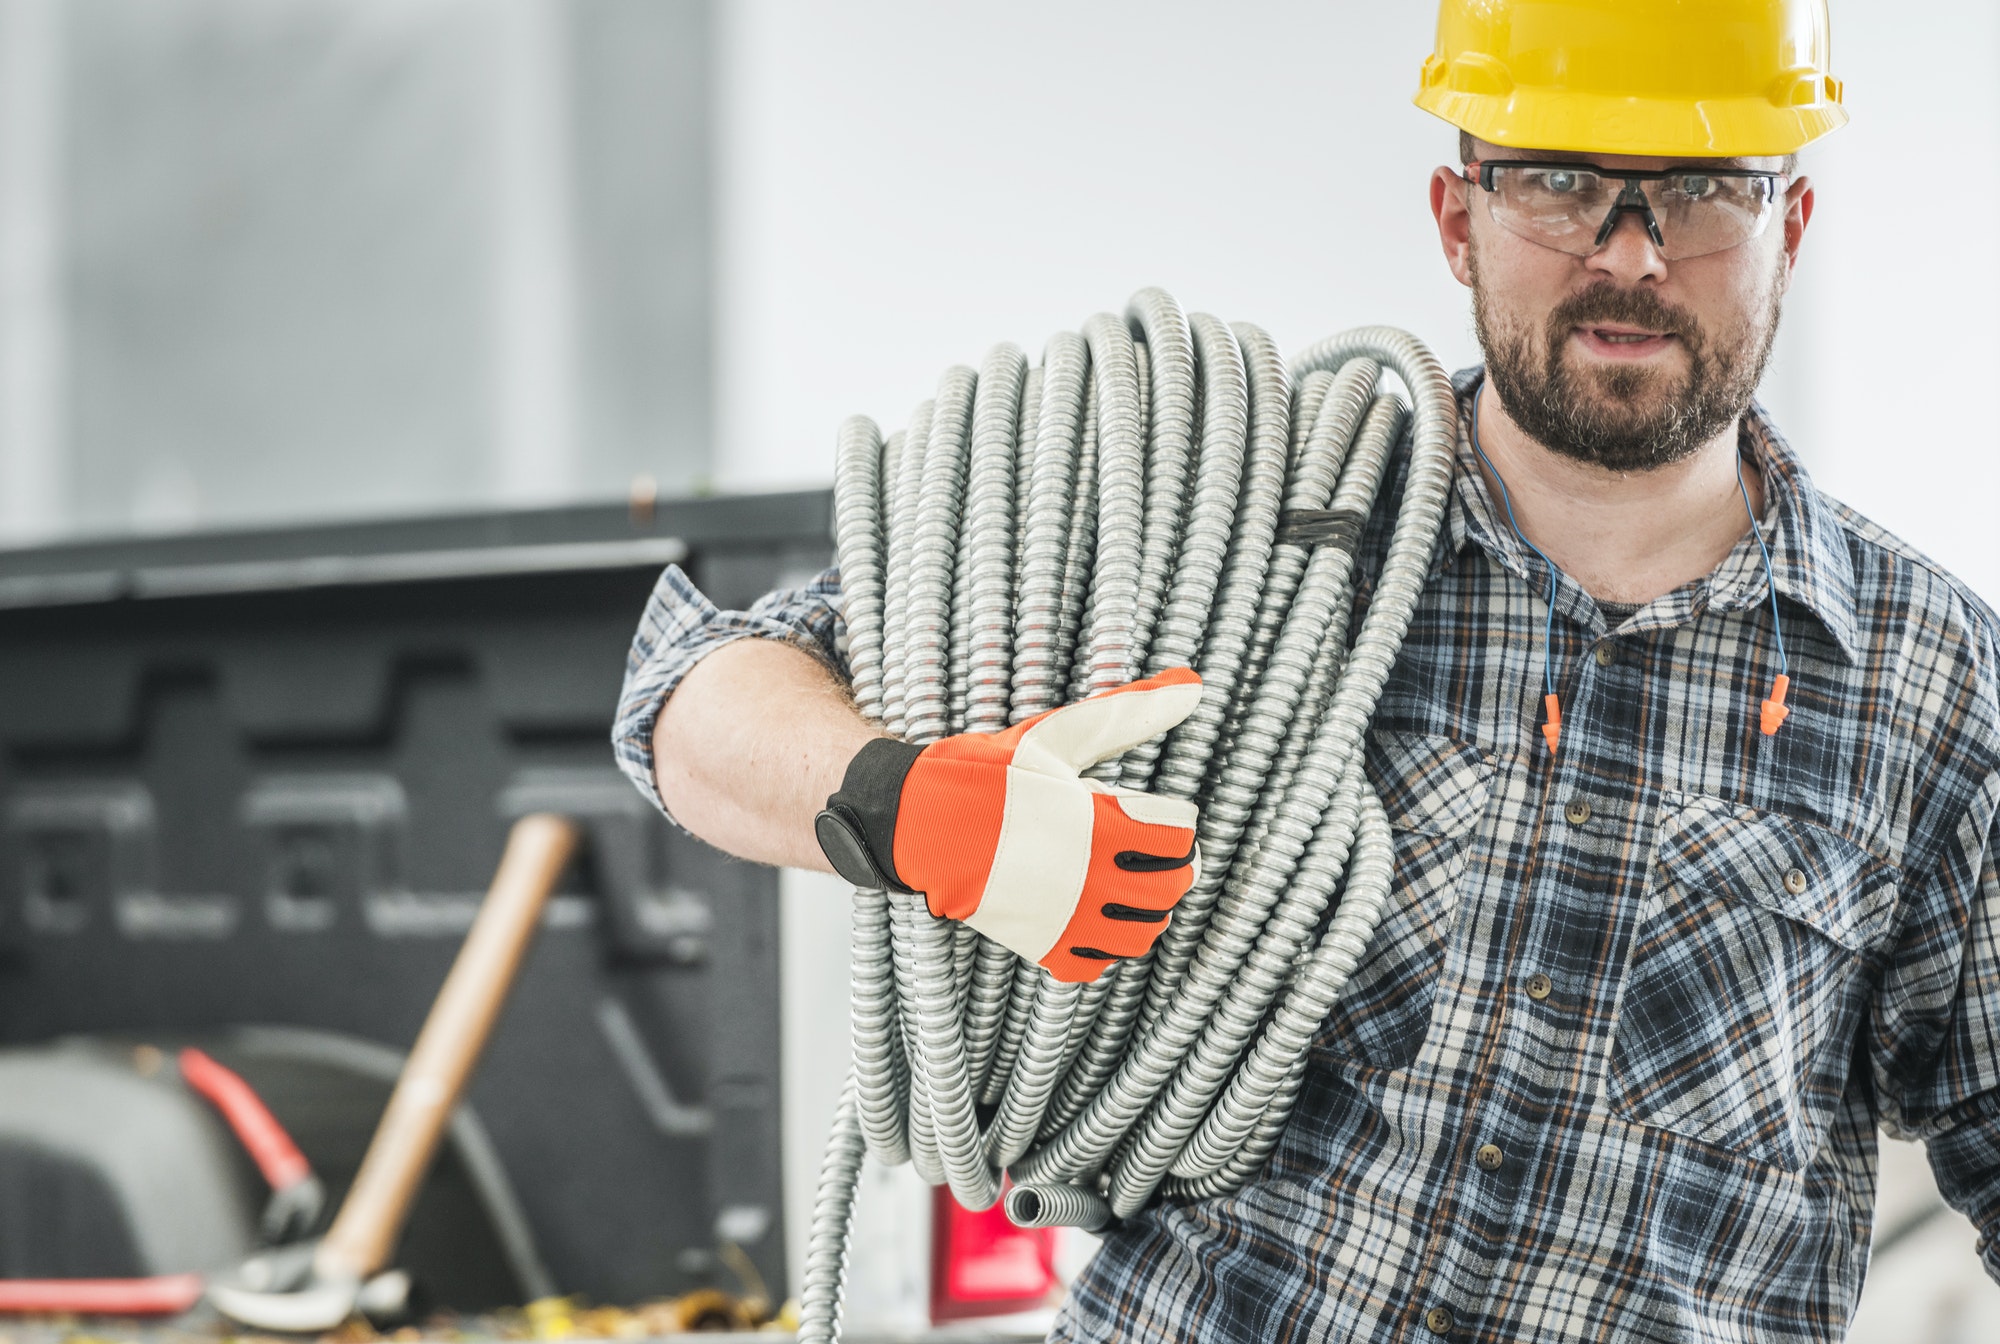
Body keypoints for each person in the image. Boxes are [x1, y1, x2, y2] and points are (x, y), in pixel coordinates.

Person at [614, 2, 2000, 1338]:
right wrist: (908, 806)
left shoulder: (1928, 683)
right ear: (1458, 219)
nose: (1630, 257)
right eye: (1561, 184)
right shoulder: (1232, 523)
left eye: (1700, 192)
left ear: (1791, 226)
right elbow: (683, 693)